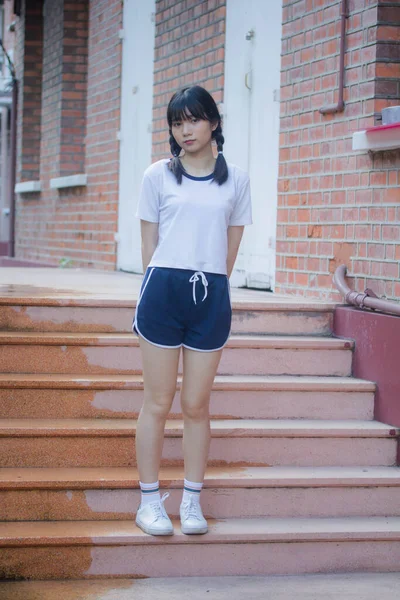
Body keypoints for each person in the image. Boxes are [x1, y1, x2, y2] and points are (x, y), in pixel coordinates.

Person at [132, 85, 252, 536]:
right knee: (158, 401)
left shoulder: (236, 180)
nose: (185, 129)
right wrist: (149, 293)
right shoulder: (156, 177)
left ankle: (192, 501)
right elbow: (149, 248)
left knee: (197, 403)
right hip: (162, 291)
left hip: (211, 295)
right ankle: (149, 502)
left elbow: (230, 250)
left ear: (214, 122)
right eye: (177, 122)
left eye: (194, 119)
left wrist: (214, 292)